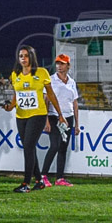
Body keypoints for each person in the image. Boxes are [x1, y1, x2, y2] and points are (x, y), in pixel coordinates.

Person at [2, 45, 67, 193]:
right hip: (21, 115)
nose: (23, 59)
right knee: (28, 147)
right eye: (20, 56)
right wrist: (10, 107)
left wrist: (60, 114)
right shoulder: (15, 74)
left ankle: (26, 183)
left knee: (29, 147)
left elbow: (50, 94)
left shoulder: (42, 72)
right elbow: (16, 95)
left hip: (37, 115)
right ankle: (39, 181)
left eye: (26, 55)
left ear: (31, 57)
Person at [42, 54, 79, 187]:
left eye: (62, 64)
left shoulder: (72, 82)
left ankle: (59, 178)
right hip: (54, 116)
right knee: (54, 146)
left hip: (68, 118)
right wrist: (46, 120)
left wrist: (77, 124)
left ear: (68, 65)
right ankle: (43, 176)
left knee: (63, 148)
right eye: (57, 63)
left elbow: (74, 103)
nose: (59, 66)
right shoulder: (50, 80)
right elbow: (45, 100)